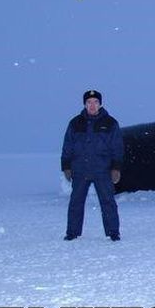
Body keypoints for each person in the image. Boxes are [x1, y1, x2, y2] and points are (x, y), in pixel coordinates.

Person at [61, 90, 124, 241]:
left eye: (95, 102)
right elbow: (67, 145)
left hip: (102, 169)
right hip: (80, 169)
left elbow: (117, 147)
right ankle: (72, 232)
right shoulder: (75, 123)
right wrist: (66, 166)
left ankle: (113, 232)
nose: (92, 105)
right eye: (89, 102)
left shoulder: (110, 123)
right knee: (76, 202)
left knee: (108, 201)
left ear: (100, 104)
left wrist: (116, 168)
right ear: (85, 104)